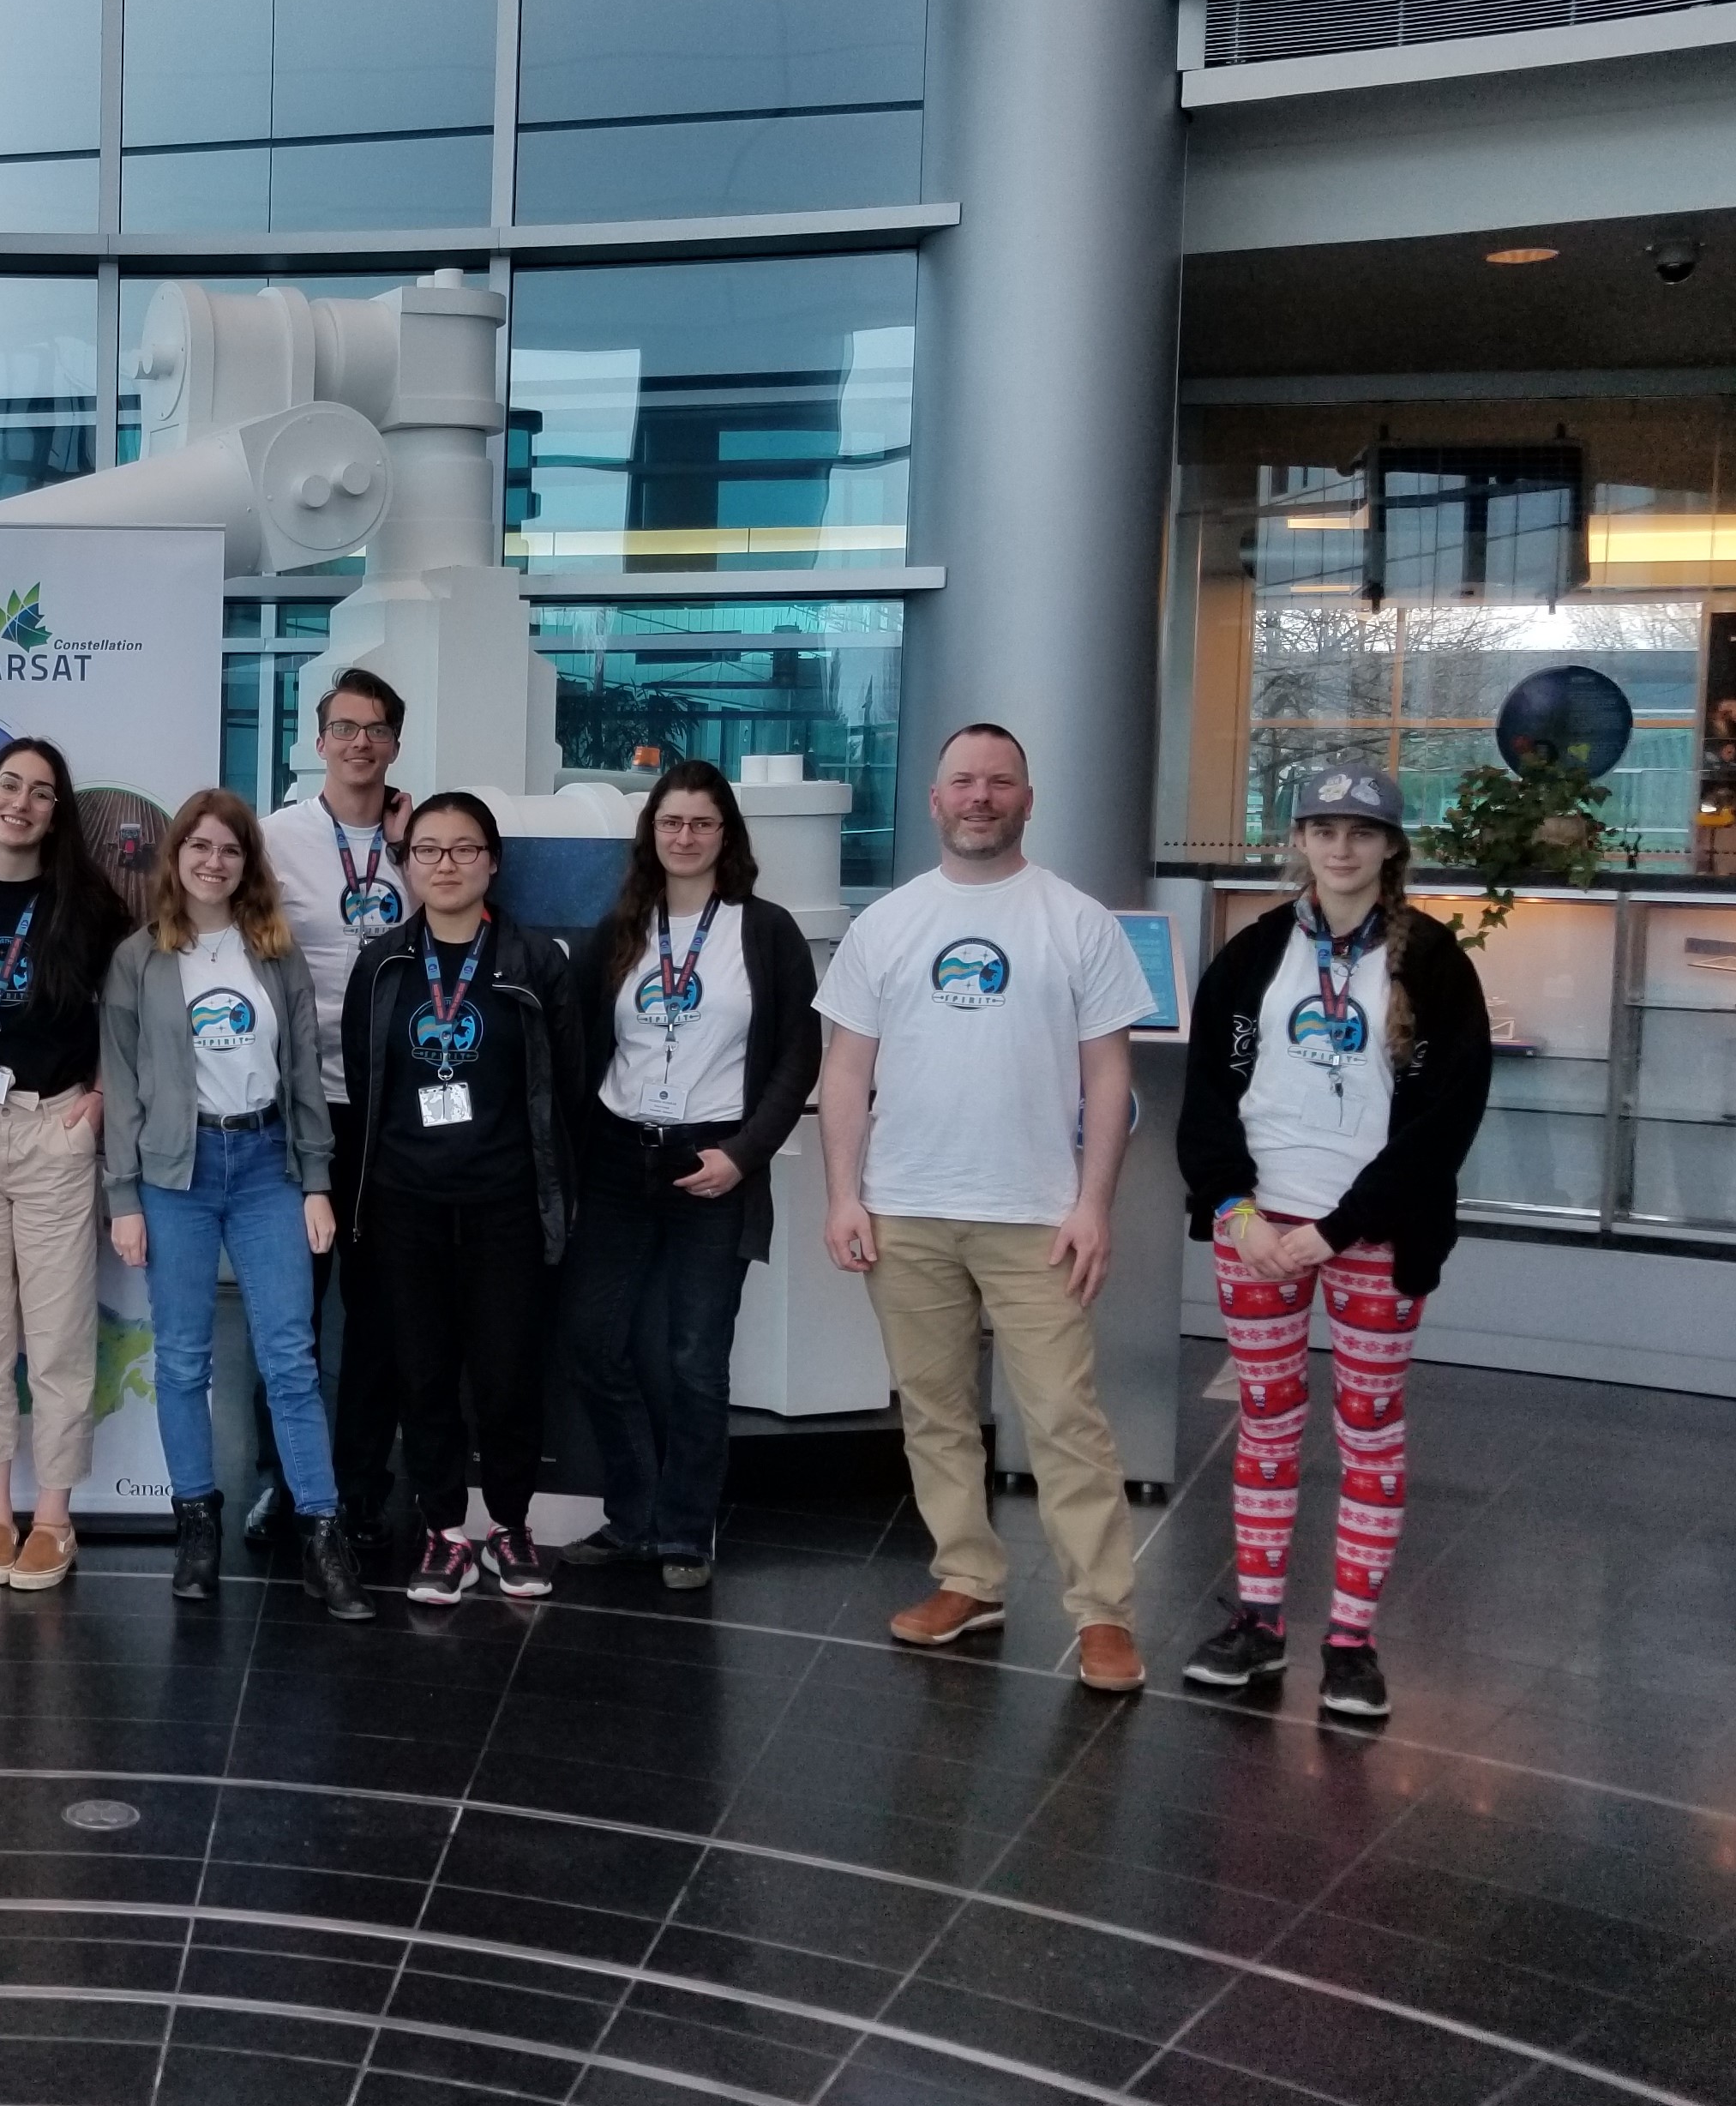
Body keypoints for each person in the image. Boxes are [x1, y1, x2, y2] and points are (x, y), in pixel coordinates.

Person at [815, 724, 1162, 1696]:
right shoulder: (887, 924)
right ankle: (968, 1579)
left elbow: (1109, 1075)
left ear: (1027, 799)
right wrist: (843, 1195)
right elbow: (845, 1071)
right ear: (934, 800)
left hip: (1037, 1215)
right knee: (935, 1414)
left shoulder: (1076, 922)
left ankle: (1103, 1613)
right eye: (963, 782)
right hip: (906, 1207)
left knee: (1063, 1418)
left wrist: (1095, 1205)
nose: (980, 797)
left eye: (999, 782)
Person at [1177, 767, 1491, 1721]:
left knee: (1370, 1427)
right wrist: (1234, 1211)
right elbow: (1208, 1094)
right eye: (1323, 829)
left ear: (1392, 846)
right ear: (1299, 841)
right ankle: (1259, 1622)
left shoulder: (1433, 960)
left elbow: (1445, 1119)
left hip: (1376, 1234)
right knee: (1266, 1421)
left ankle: (1351, 1642)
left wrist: (1335, 1229)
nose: (1342, 848)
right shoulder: (1254, 951)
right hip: (1257, 1231)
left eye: (1362, 831)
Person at [102, 791, 372, 1620]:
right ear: (176, 856)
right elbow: (121, 1086)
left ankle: (322, 1534)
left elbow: (305, 1078)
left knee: (290, 1359)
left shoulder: (276, 955)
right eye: (200, 846)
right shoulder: (139, 959)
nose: (213, 862)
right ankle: (196, 1527)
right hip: (174, 1175)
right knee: (184, 1362)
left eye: (230, 849)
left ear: (248, 863)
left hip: (267, 1169)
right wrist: (123, 1196)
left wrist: (317, 1182)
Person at [557, 763, 821, 1591]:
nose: (685, 837)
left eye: (702, 823)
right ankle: (632, 1515)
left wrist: (744, 1155)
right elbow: (581, 1045)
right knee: (593, 1342)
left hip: (714, 1160)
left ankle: (683, 1530)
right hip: (618, 1156)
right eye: (671, 822)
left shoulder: (765, 931)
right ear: (651, 833)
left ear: (726, 834)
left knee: (694, 1357)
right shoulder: (620, 930)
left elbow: (798, 1056)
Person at [342, 791, 580, 1607]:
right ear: (406, 865)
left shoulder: (534, 961)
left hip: (505, 1204)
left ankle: (509, 1525)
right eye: (428, 850)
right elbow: (366, 1082)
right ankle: (444, 1531)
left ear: (493, 862)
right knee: (424, 1375)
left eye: (464, 848)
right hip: (405, 1205)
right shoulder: (383, 964)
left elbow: (567, 1087)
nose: (446, 864)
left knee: (508, 1375)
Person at [0, 735, 129, 1593]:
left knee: (58, 1334)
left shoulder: (89, 905)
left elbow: (125, 1012)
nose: (21, 803)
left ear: (56, 814)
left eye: (41, 793)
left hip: (54, 1128)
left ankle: (53, 1518)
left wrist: (101, 1098)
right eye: (9, 786)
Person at [256, 666, 413, 1552]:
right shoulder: (275, 839)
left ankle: (358, 1485)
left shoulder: (419, 840)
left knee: (380, 1312)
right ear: (317, 743)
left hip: (395, 1112)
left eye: (377, 729)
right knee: (291, 1309)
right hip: (300, 1106)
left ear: (395, 745)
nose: (361, 743)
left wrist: (407, 850)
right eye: (346, 728)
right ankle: (285, 1484)